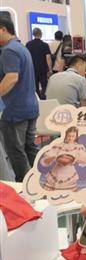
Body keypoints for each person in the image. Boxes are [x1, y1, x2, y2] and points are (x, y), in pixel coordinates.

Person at [0, 17, 39, 182]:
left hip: (15, 110)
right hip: (30, 107)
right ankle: (40, 180)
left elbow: (12, 77)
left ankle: (25, 185)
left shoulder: (8, 50)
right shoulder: (21, 47)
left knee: (16, 151)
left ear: (3, 29)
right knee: (30, 148)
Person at [40, 126, 86, 192]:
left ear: (76, 137)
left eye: (73, 136)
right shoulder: (58, 145)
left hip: (69, 173)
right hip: (56, 173)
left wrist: (75, 159)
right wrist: (54, 158)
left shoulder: (78, 147)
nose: (70, 138)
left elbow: (85, 160)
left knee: (69, 193)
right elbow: (45, 160)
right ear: (66, 135)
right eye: (69, 136)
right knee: (51, 192)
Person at [26, 28, 52, 99]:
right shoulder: (45, 45)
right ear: (41, 34)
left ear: (33, 34)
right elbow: (48, 58)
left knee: (35, 87)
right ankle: (44, 99)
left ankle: (37, 100)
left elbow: (27, 57)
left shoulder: (28, 44)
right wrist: (50, 69)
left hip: (32, 69)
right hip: (43, 69)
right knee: (44, 86)